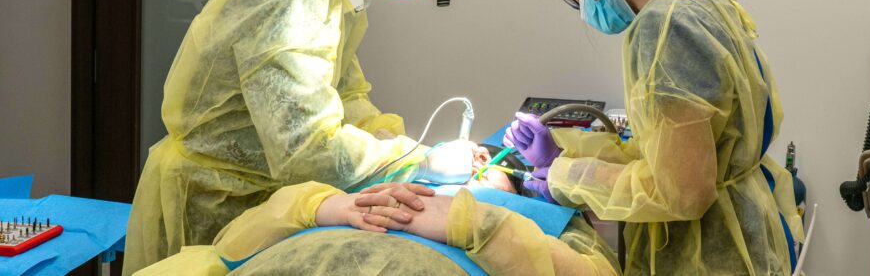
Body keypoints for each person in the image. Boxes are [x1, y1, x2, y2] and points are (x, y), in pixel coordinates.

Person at [124, 0, 493, 274]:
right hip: (211, 202)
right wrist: (414, 162)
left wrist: (408, 148)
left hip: (253, 194)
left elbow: (345, 95)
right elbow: (306, 148)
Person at [505, 0, 803, 275]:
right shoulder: (706, 0)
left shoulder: (664, 26)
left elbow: (681, 191)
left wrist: (563, 177)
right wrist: (563, 150)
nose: (579, 4)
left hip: (707, 251)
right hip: (746, 222)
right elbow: (668, 152)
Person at [134, 172, 620, 276]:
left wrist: (482, 222)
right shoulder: (389, 190)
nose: (478, 171)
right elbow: (232, 246)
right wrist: (328, 208)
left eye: (487, 170)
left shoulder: (524, 215)